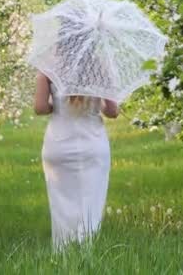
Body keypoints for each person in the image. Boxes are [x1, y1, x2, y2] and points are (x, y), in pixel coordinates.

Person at [34, 70, 119, 250]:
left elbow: (40, 108)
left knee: (61, 201)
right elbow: (113, 112)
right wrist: (97, 106)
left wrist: (56, 106)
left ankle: (63, 252)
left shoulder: (47, 71)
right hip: (93, 144)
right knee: (91, 199)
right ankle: (86, 248)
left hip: (59, 144)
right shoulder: (101, 73)